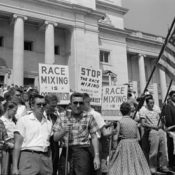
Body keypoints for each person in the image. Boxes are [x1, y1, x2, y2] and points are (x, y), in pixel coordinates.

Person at [53, 92, 100, 175]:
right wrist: (63, 131)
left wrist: (96, 156)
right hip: (66, 151)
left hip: (82, 151)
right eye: (75, 103)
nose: (78, 105)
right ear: (70, 104)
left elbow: (94, 137)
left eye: (81, 103)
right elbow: (55, 138)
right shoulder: (62, 116)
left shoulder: (89, 116)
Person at [12, 94, 53, 175]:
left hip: (45, 158)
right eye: (39, 104)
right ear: (32, 106)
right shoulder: (23, 121)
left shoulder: (48, 123)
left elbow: (49, 144)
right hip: (28, 157)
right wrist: (14, 167)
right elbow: (17, 145)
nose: (41, 106)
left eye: (43, 104)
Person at [109, 102, 151, 175]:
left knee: (122, 164)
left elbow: (115, 138)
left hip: (123, 144)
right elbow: (139, 138)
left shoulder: (120, 122)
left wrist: (114, 146)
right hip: (135, 145)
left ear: (121, 111)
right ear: (129, 111)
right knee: (136, 164)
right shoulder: (134, 122)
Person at [140, 95, 169, 173]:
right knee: (154, 151)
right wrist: (152, 126)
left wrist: (163, 119)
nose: (152, 104)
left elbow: (162, 119)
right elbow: (142, 123)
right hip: (152, 130)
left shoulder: (156, 109)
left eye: (153, 103)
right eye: (150, 103)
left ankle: (163, 165)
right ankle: (152, 167)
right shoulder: (143, 110)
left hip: (160, 130)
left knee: (163, 150)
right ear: (147, 103)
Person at [1, 99, 18, 174]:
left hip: (14, 147)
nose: (15, 113)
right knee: (5, 170)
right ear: (8, 109)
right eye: (14, 111)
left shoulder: (13, 121)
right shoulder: (1, 120)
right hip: (6, 148)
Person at [45, 94, 60, 175]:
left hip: (54, 145)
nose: (54, 108)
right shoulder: (40, 117)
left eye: (55, 106)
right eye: (52, 106)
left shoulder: (54, 116)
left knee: (54, 167)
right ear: (46, 104)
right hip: (44, 145)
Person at [163, 90, 175, 170]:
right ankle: (172, 164)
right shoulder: (168, 106)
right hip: (172, 130)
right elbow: (169, 120)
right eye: (174, 95)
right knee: (172, 147)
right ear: (170, 97)